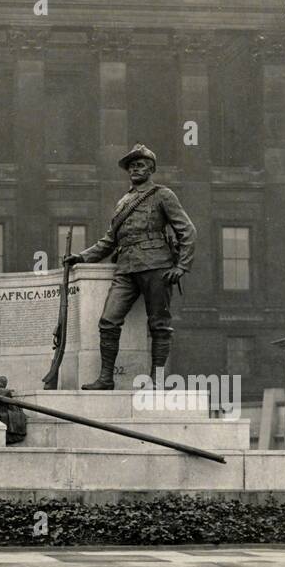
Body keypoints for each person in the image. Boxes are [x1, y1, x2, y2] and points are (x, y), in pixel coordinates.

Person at [66, 142, 196, 389]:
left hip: (157, 266)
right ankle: (106, 378)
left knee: (159, 324)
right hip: (125, 269)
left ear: (151, 169)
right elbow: (108, 241)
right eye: (131, 166)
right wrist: (82, 257)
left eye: (141, 165)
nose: (135, 169)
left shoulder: (163, 195)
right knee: (108, 321)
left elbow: (187, 231)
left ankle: (157, 381)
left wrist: (182, 266)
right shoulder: (123, 202)